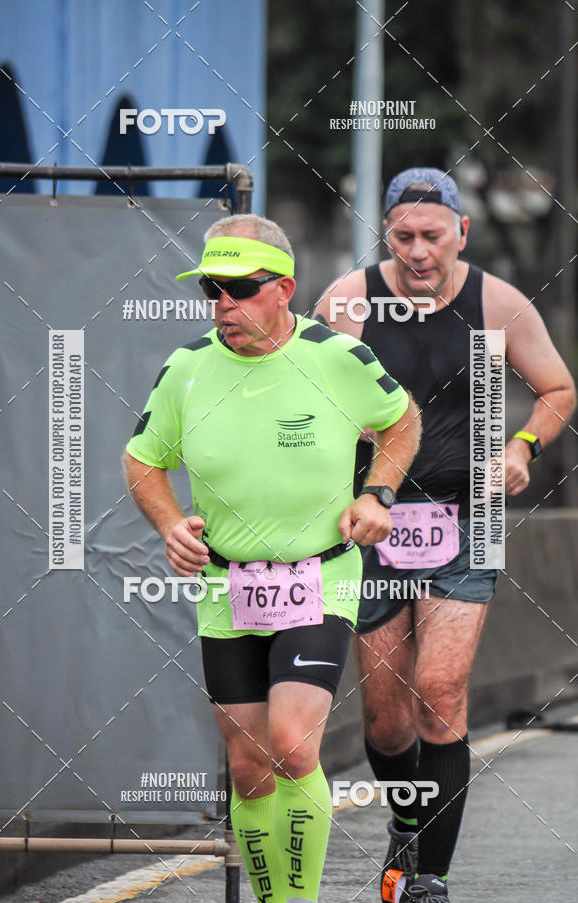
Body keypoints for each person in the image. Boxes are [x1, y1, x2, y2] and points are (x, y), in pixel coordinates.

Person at [123, 213, 421, 903]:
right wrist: (171, 524)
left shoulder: (336, 359)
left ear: (283, 288)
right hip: (228, 586)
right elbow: (142, 460)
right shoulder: (187, 369)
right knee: (250, 767)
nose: (223, 304)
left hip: (320, 576)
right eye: (211, 291)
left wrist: (377, 492)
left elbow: (400, 420)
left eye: (241, 288)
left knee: (291, 746)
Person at [314, 168, 576, 903]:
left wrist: (522, 445)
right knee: (388, 718)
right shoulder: (347, 303)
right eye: (404, 236)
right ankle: (407, 819)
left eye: (434, 235)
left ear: (462, 231)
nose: (420, 251)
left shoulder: (497, 302)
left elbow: (558, 387)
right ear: (385, 234)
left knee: (439, 692)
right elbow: (310, 401)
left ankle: (429, 875)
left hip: (469, 517)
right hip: (375, 518)